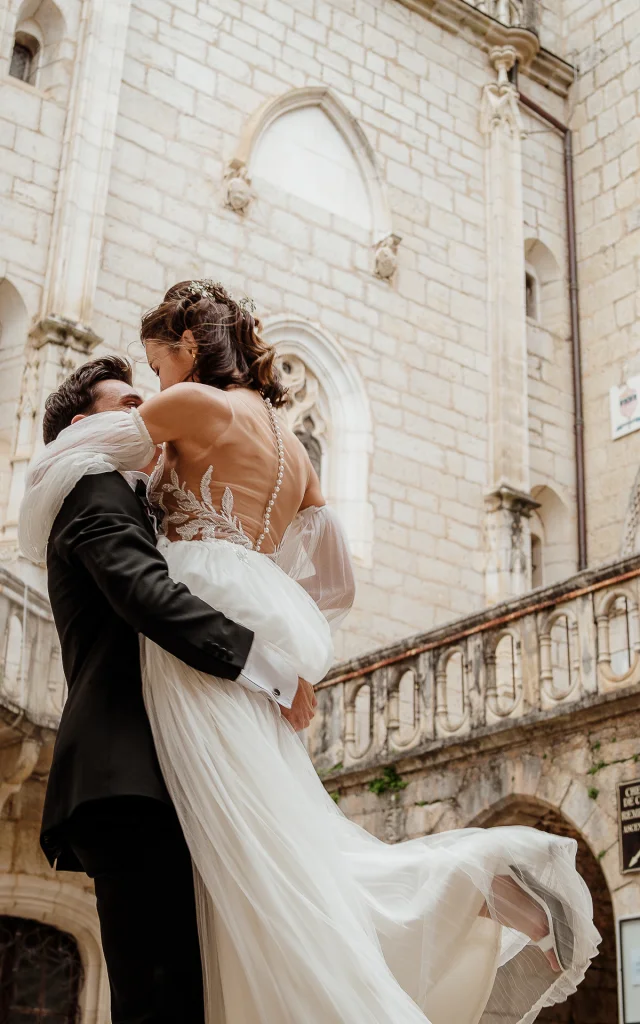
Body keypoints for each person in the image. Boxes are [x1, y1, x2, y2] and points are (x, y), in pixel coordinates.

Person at [20, 281, 600, 1024]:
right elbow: (333, 580)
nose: (149, 398)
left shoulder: (186, 413)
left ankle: (464, 881)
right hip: (238, 645)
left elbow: (66, 462)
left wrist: (227, 595)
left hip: (204, 653)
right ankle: (460, 884)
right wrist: (260, 591)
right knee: (286, 856)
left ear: (188, 348)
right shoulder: (294, 450)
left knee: (268, 873)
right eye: (130, 393)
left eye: (154, 370)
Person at [30, 355, 316, 1024]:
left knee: (186, 991)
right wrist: (269, 670)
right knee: (157, 994)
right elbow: (144, 594)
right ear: (82, 425)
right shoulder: (89, 484)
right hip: (127, 777)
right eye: (127, 403)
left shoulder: (142, 500)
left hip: (170, 771)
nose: (146, 412)